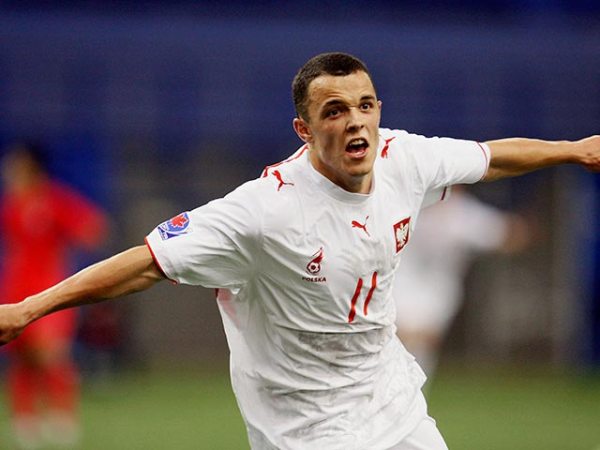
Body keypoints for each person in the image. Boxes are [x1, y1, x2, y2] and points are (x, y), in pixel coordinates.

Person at [0, 53, 598, 450]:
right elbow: (146, 262)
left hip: (390, 400)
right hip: (304, 427)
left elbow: (490, 158)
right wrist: (28, 309)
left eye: (365, 105)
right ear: (304, 130)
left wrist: (574, 149)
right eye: (334, 111)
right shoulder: (265, 209)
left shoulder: (404, 156)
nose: (356, 122)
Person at [0, 142, 107, 449]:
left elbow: (93, 228)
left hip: (49, 290)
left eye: (16, 164)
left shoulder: (54, 200)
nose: (9, 170)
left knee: (51, 355)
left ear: (32, 167)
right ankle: (25, 422)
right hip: (15, 288)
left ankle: (62, 420)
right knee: (21, 358)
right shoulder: (11, 204)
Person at [393, 185, 530, 381]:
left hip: (437, 293)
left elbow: (510, 234)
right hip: (399, 287)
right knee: (402, 344)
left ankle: (410, 392)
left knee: (418, 352)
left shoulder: (463, 214)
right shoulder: (407, 205)